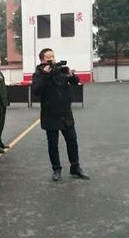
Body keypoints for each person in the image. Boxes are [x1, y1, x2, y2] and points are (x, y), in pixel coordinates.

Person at [32, 48, 89, 182]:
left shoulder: (61, 70)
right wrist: (45, 75)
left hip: (65, 113)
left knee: (72, 141)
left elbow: (75, 82)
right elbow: (36, 91)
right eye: (48, 57)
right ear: (42, 60)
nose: (52, 59)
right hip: (50, 114)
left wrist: (71, 75)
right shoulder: (39, 74)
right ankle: (56, 169)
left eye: (53, 56)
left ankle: (75, 167)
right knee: (53, 144)